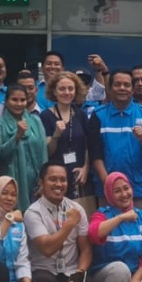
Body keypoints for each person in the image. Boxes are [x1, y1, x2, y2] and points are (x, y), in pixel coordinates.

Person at [24, 161, 92, 282]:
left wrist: (80, 272)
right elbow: (47, 249)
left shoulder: (76, 208)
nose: (59, 184)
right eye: (53, 179)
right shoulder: (33, 212)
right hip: (43, 269)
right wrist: (69, 224)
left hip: (69, 269)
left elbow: (85, 249)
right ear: (41, 182)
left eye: (63, 180)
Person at [93, 70, 142, 208]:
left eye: (126, 85)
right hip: (106, 188)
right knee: (107, 222)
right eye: (117, 84)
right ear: (110, 88)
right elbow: (95, 153)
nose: (122, 88)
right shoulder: (98, 115)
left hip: (137, 187)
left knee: (138, 222)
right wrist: (108, 183)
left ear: (132, 89)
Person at [41, 72, 98, 213]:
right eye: (62, 89)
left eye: (70, 89)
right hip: (57, 178)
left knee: (81, 217)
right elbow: (47, 151)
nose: (67, 93)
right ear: (54, 91)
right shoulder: (45, 116)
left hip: (79, 177)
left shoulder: (81, 114)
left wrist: (85, 168)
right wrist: (56, 135)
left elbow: (88, 144)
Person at [0, 83, 47, 210]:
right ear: (6, 101)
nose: (19, 104)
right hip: (13, 183)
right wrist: (17, 135)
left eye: (22, 100)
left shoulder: (36, 121)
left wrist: (44, 180)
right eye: (14, 99)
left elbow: (43, 152)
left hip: (37, 181)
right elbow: (1, 154)